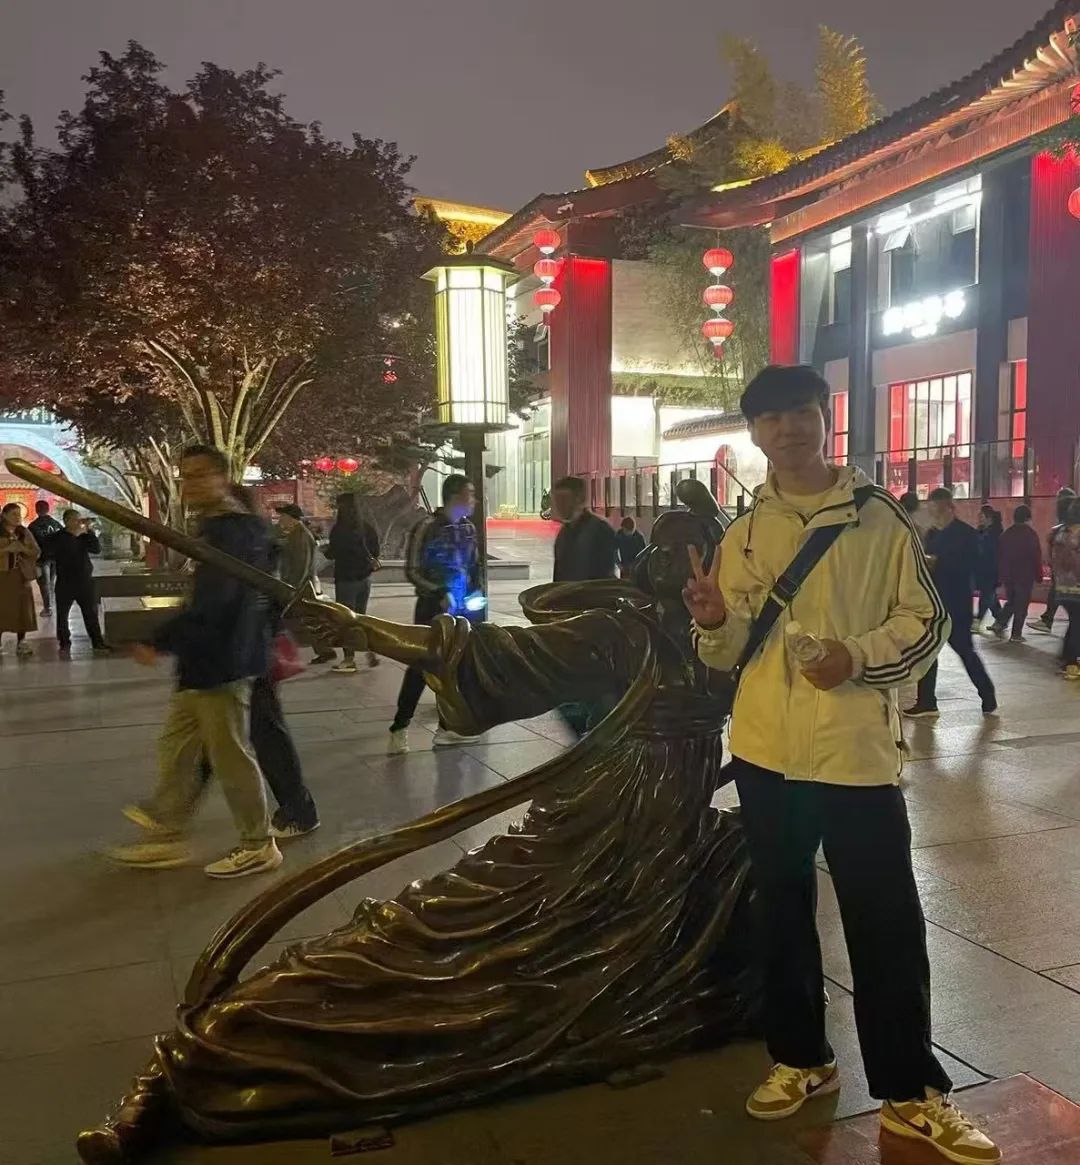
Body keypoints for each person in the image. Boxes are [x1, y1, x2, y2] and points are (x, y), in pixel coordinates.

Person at [684, 366, 998, 1165]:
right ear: (755, 433)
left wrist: (854, 657)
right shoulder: (743, 533)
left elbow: (927, 620)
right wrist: (714, 622)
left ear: (826, 418)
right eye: (771, 418)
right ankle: (801, 1057)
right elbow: (725, 650)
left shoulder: (878, 518)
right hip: (766, 754)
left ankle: (910, 1090)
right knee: (782, 910)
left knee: (884, 920)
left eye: (801, 412)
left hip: (855, 757)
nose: (788, 429)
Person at [105, 445, 282, 879]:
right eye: (185, 475)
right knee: (177, 747)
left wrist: (160, 640)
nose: (190, 484)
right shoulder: (226, 526)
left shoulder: (233, 530)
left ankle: (258, 844)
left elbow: (216, 603)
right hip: (208, 659)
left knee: (230, 756)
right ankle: (166, 830)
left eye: (200, 475)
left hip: (223, 660)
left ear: (223, 477)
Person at [387, 474, 484, 755]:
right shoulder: (427, 527)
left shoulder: (468, 529)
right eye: (470, 493)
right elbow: (412, 570)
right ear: (454, 496)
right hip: (433, 610)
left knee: (457, 669)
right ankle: (399, 727)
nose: (474, 500)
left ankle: (448, 728)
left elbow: (474, 566)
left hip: (463, 611)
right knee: (422, 667)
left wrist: (475, 592)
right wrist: (439, 592)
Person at [905, 487, 997, 720]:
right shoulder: (932, 535)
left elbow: (975, 566)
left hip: (957, 602)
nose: (933, 514)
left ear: (949, 507)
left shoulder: (966, 534)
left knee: (965, 650)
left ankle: (987, 694)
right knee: (928, 652)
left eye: (936, 509)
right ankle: (926, 701)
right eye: (931, 509)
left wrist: (941, 562)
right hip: (934, 602)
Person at [326, 493, 381, 674]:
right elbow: (376, 550)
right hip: (364, 579)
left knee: (346, 621)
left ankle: (349, 659)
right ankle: (371, 651)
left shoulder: (340, 530)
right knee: (361, 618)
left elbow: (333, 552)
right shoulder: (366, 527)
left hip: (346, 580)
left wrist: (326, 551)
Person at [274, 503, 335, 664]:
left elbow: (301, 565)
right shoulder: (296, 534)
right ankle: (325, 650)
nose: (280, 520)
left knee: (308, 620)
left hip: (302, 586)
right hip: (303, 585)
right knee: (309, 620)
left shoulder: (300, 536)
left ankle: (325, 650)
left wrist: (292, 588)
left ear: (291, 518)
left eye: (283, 516)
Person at [52, 508, 110, 656]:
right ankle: (64, 642)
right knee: (62, 615)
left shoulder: (84, 537)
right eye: (76, 520)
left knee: (91, 613)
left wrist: (89, 531)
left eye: (80, 520)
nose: (79, 523)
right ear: (67, 521)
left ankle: (97, 642)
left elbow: (96, 549)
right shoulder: (57, 537)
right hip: (65, 582)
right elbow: (53, 553)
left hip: (84, 581)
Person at [551, 476, 617, 583]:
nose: (559, 506)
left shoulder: (601, 530)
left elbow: (605, 577)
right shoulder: (563, 534)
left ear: (579, 499)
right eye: (556, 500)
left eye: (564, 500)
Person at [1029, 487, 1077, 634]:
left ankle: (1047, 619)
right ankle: (1047, 619)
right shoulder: (1063, 529)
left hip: (1068, 575)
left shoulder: (1062, 529)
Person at [992, 505, 1043, 643]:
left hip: (1008, 576)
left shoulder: (1006, 534)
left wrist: (1001, 575)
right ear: (1028, 518)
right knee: (1021, 605)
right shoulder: (1031, 535)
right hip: (1024, 576)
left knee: (1012, 601)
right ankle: (1016, 634)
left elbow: (1000, 556)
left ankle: (1000, 622)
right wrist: (1039, 576)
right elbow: (1036, 556)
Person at [0, 502, 40, 657]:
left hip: (21, 575)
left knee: (23, 608)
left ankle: (21, 641)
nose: (18, 518)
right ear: (4, 515)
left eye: (19, 514)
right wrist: (6, 549)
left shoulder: (23, 532)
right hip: (2, 575)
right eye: (14, 514)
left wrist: (22, 548)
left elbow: (36, 551)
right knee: (3, 608)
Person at [1051, 498, 1080, 680]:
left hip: (1062, 586)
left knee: (1075, 623)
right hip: (1077, 586)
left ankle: (1066, 658)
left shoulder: (1060, 531)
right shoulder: (1077, 533)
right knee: (1077, 625)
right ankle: (1070, 664)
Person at [28, 499, 62, 616]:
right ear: (48, 509)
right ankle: (52, 605)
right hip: (56, 558)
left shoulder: (33, 526)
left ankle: (48, 608)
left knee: (44, 584)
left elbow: (31, 544)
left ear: (36, 510)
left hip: (42, 559)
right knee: (51, 583)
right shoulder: (56, 523)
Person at [973, 505, 1003, 631]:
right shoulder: (982, 531)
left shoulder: (995, 533)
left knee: (986, 595)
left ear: (989, 518)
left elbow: (989, 551)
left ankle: (978, 620)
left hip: (991, 570)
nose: (979, 519)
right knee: (990, 596)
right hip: (983, 569)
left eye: (982, 516)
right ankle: (1001, 620)